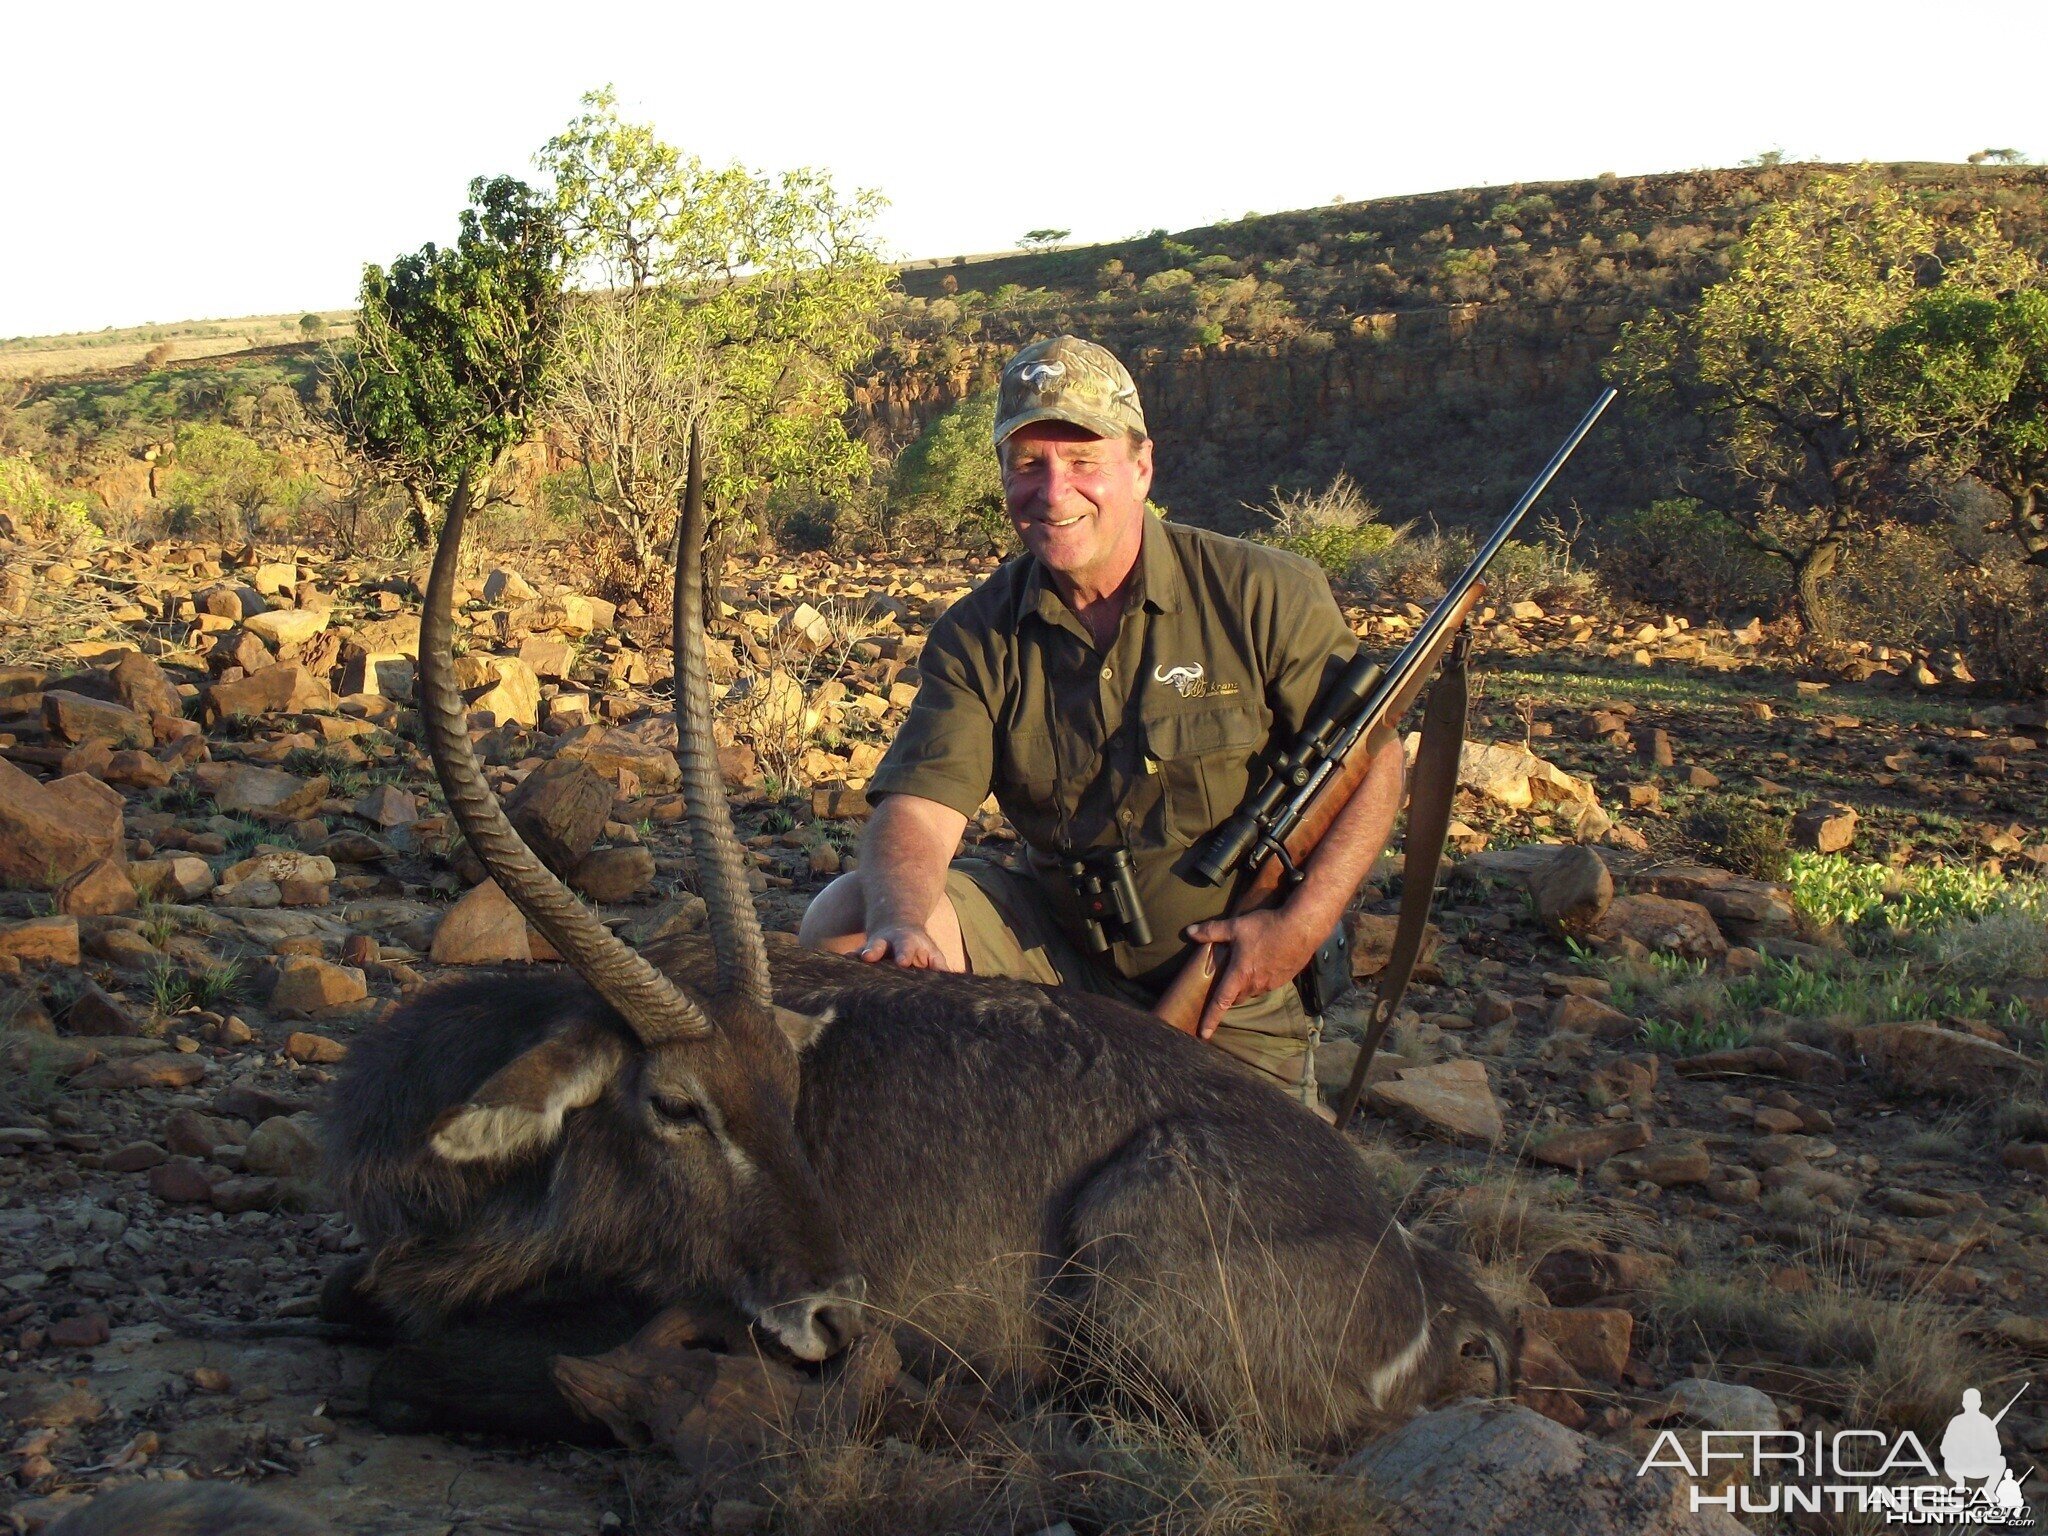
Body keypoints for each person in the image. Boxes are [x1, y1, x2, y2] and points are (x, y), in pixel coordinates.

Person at [799, 335, 1406, 1102]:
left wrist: (1299, 929)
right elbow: (920, 811)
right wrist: (905, 923)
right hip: (1054, 953)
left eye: (1084, 462)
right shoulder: (976, 632)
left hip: (1226, 974)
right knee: (849, 917)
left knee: (1245, 1209)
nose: (1055, 492)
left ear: (1141, 466)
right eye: (1029, 466)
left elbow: (1374, 759)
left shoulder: (1262, 592)